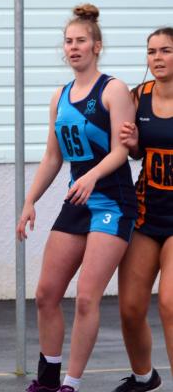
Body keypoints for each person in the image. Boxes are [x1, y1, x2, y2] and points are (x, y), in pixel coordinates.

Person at [17, 4, 137, 392]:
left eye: (80, 41)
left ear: (96, 46)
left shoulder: (113, 89)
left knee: (87, 298)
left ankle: (72, 382)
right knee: (45, 294)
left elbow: (122, 151)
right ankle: (49, 376)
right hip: (78, 200)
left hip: (111, 201)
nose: (73, 47)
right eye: (68, 42)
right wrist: (29, 201)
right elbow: (53, 156)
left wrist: (92, 175)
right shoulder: (61, 96)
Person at [112, 27, 173, 392]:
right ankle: (143, 377)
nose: (158, 58)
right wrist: (134, 145)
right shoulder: (139, 96)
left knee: (169, 303)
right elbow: (134, 152)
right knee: (131, 308)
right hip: (148, 214)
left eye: (166, 50)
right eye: (152, 52)